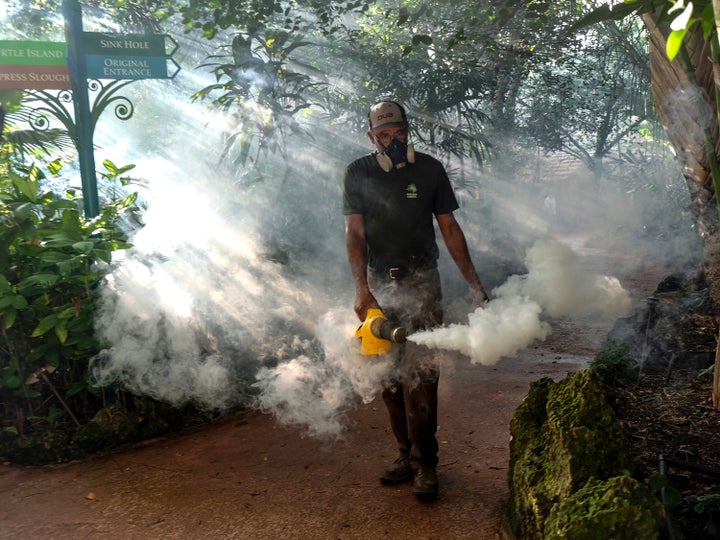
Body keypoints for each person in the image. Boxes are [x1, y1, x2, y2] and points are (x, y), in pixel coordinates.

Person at [343, 100, 489, 500]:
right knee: (388, 380)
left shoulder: (429, 170)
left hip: (423, 282)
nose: (392, 141)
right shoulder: (358, 172)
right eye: (384, 135)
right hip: (379, 287)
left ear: (409, 131)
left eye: (399, 133)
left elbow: (450, 228)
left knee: (421, 377)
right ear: (372, 136)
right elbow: (355, 234)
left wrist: (474, 284)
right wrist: (361, 288)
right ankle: (405, 455)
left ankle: (427, 464)